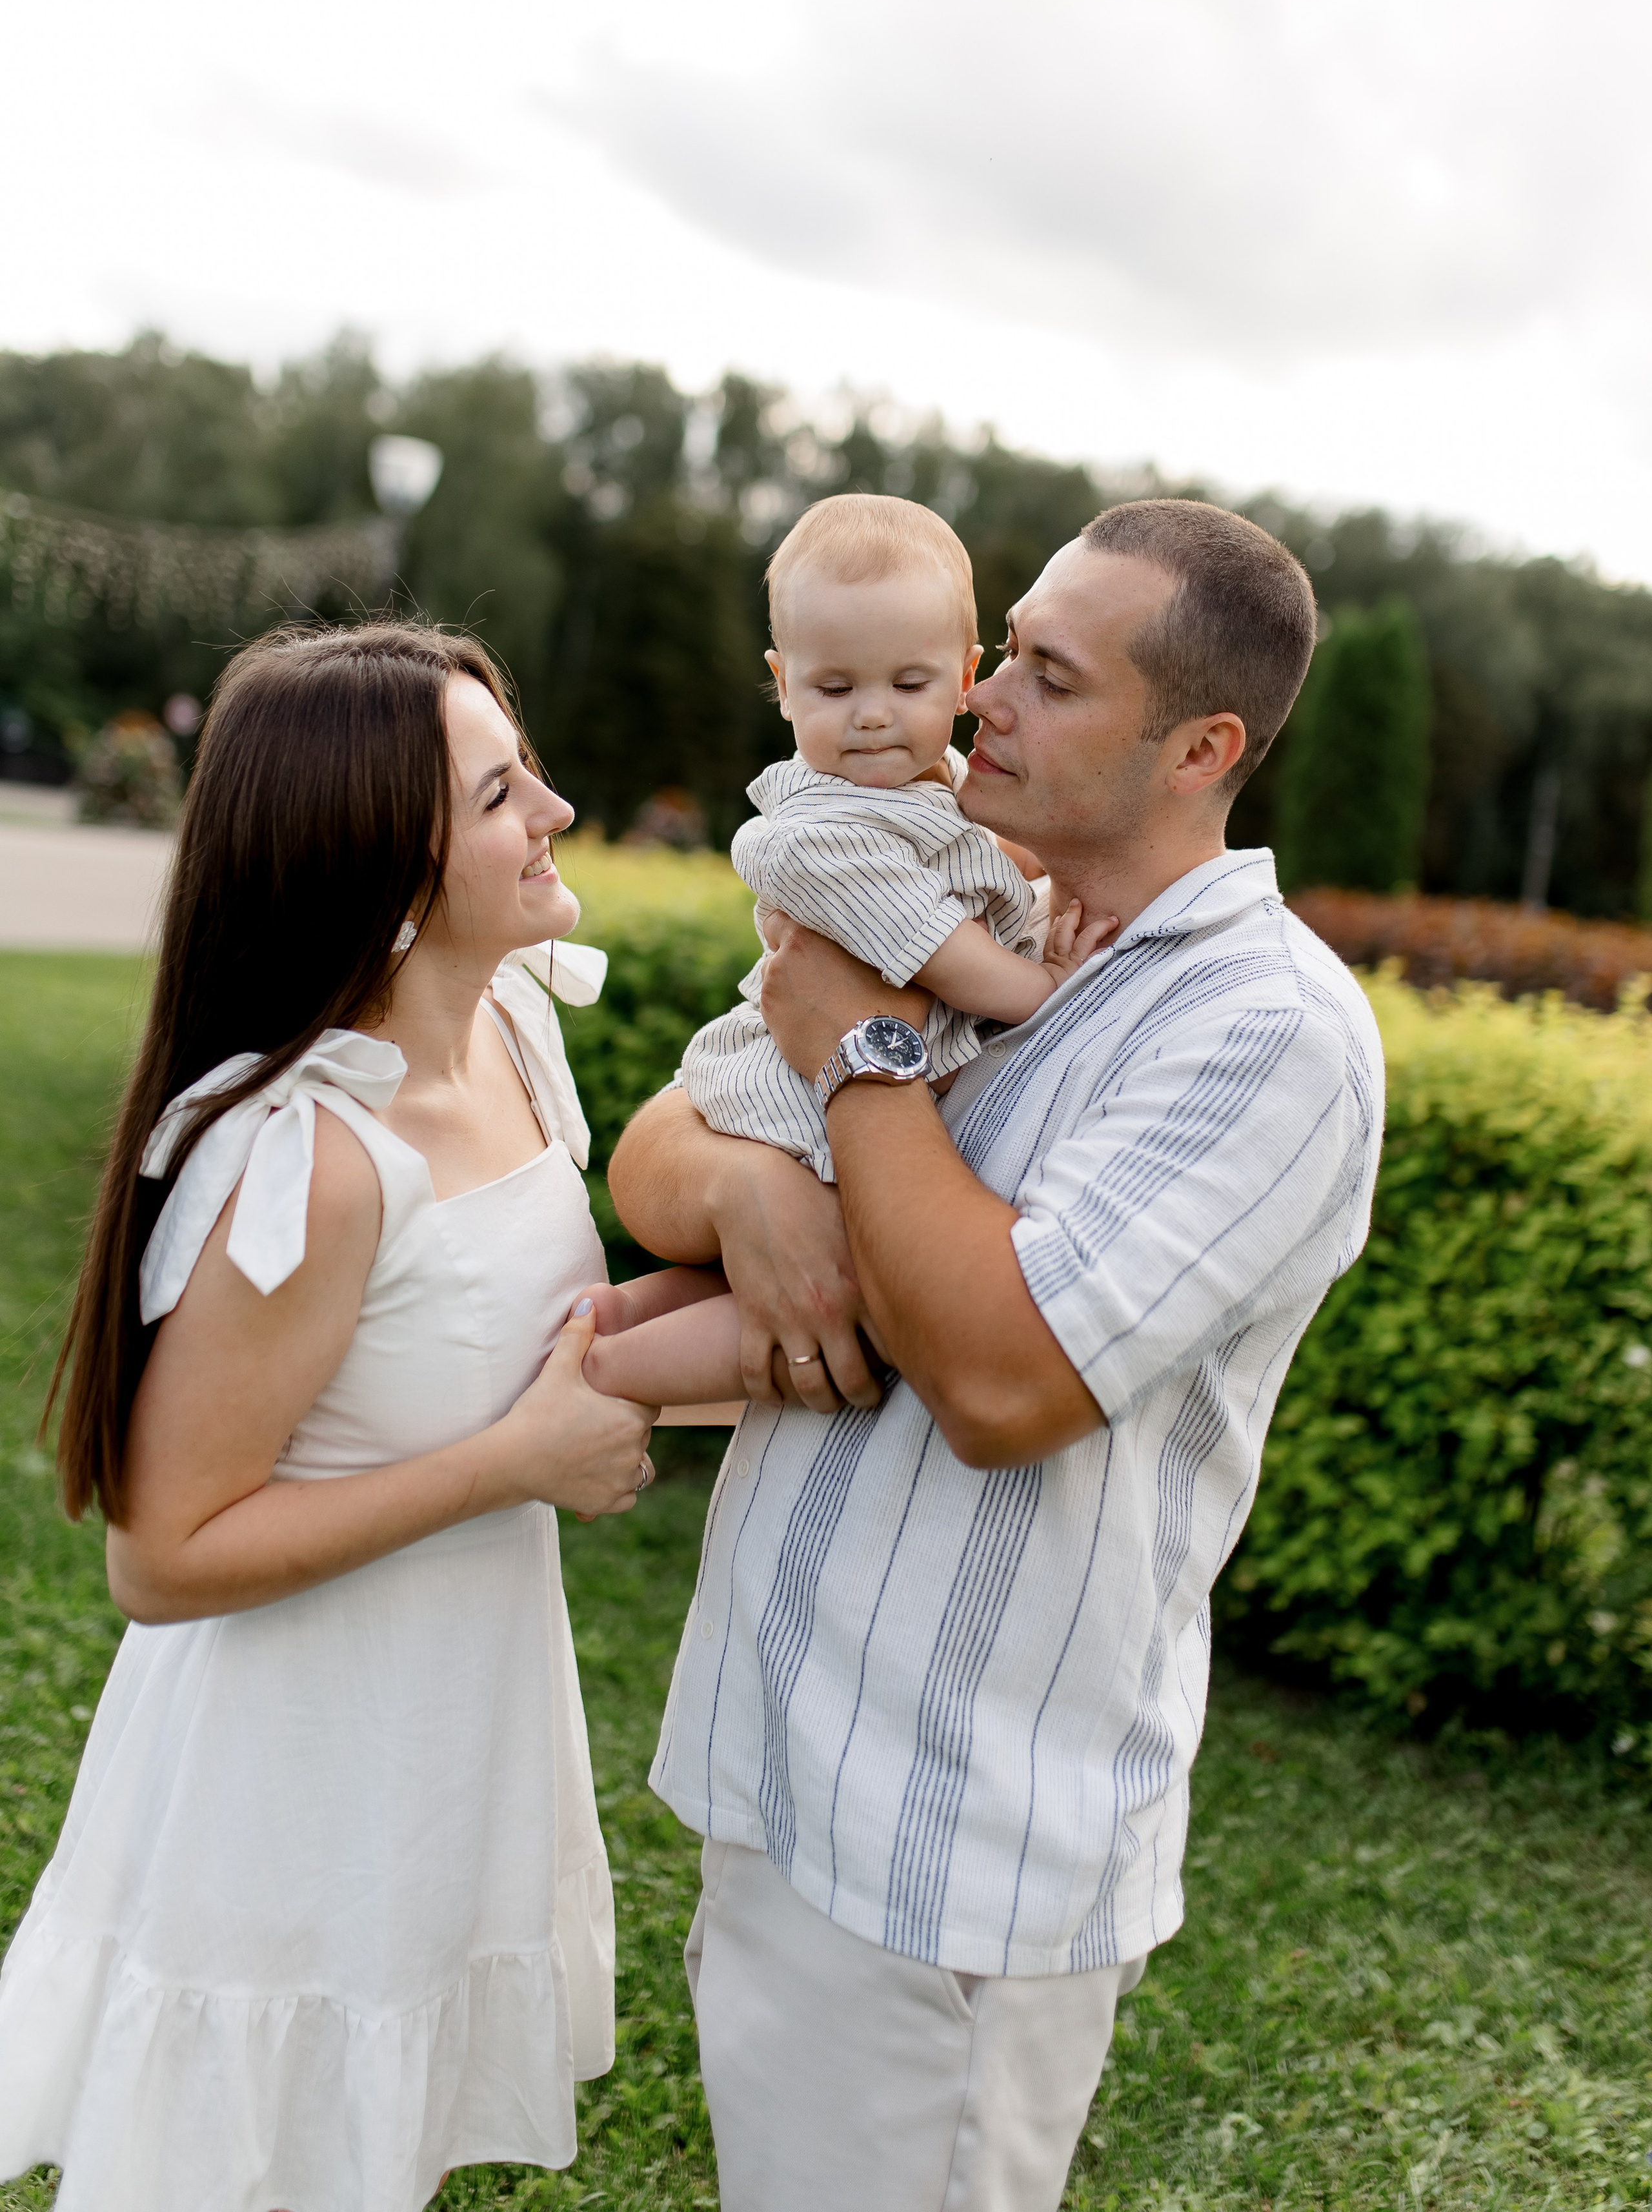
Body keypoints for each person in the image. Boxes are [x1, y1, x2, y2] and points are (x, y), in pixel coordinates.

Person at [607, 499, 1386, 2212]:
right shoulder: (961, 902)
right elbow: (661, 1152)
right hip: (783, 1766)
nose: (979, 699)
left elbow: (1000, 1384)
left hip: (946, 1845)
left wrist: (860, 1055)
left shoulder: (1263, 1028)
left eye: (1049, 675)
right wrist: (754, 1189)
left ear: (1200, 749)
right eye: (1004, 650)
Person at [0, 622, 659, 2212]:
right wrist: (510, 1465)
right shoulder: (319, 1161)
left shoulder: (511, 1031)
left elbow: (506, 1322)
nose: (556, 811)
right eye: (501, 793)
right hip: (296, 1785)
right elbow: (163, 1557)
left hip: (442, 1740)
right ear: (384, 870)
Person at [576, 491, 1113, 1415]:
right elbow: (938, 950)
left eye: (907, 686)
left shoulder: (932, 784)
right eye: (834, 689)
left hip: (833, 1075)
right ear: (783, 683)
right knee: (857, 1289)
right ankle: (609, 1381)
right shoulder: (820, 834)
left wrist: (1033, 870)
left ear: (963, 675)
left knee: (799, 1277)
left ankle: (613, 1327)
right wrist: (1045, 986)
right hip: (798, 1098)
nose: (871, 717)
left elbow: (974, 860)